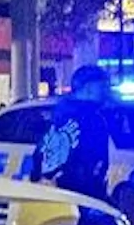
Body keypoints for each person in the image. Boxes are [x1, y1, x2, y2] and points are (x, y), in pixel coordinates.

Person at [31, 65, 112, 203]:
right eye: (103, 86)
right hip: (78, 192)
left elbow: (43, 150)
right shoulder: (84, 117)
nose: (106, 90)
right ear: (89, 87)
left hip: (67, 190)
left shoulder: (63, 113)